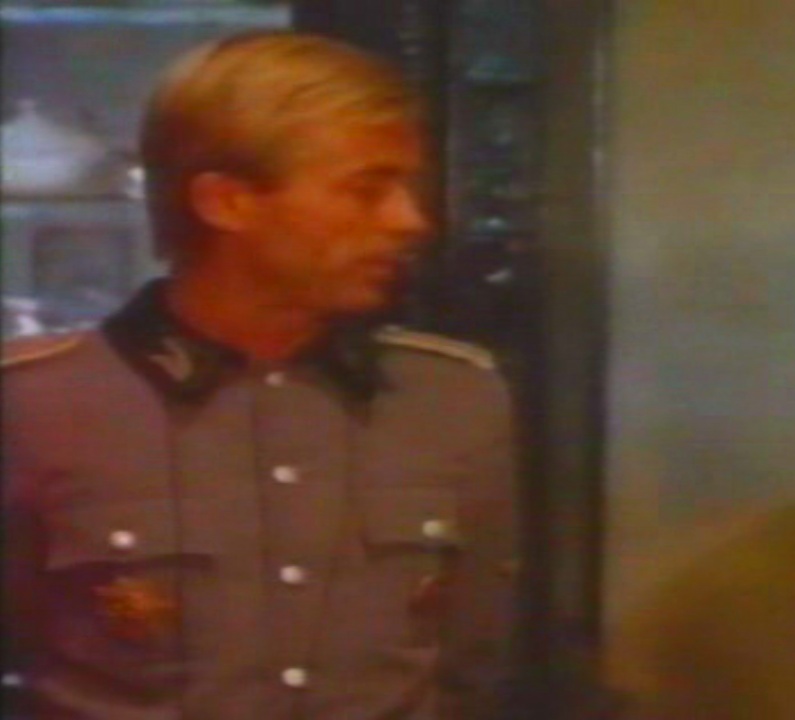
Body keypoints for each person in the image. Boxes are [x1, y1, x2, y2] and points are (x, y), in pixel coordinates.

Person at [3, 31, 519, 720]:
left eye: (407, 188)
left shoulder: (452, 399)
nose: (410, 221)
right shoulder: (35, 404)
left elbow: (474, 665)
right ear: (227, 202)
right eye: (367, 190)